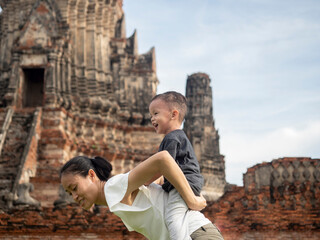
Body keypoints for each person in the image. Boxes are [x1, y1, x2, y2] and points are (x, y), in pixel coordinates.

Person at [60, 151, 223, 240]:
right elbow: (159, 174)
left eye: (74, 188)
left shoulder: (113, 188)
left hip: (195, 234)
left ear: (91, 175)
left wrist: (191, 199)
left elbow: (163, 159)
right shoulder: (114, 194)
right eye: (69, 193)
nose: (74, 196)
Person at [148, 91, 222, 239]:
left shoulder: (172, 138)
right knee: (179, 214)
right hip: (190, 183)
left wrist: (145, 180)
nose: (152, 118)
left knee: (173, 218)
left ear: (173, 114)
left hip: (183, 184)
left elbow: (163, 165)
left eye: (156, 113)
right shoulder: (178, 136)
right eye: (151, 115)